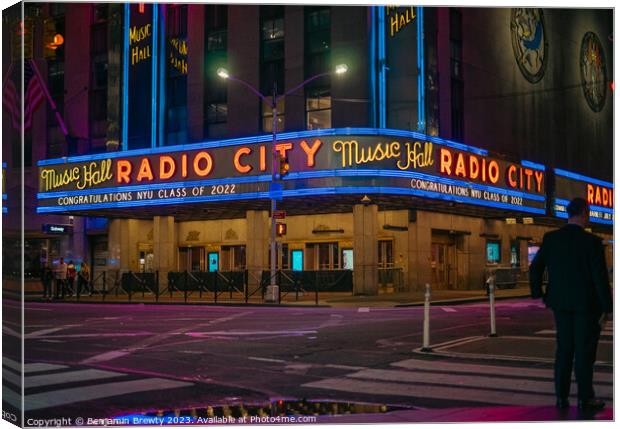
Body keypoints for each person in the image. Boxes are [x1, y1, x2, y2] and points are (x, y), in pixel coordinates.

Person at [530, 197, 612, 413]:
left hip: (560, 304)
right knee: (584, 353)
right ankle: (585, 398)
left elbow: (535, 268)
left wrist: (539, 293)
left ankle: (561, 396)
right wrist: (608, 308)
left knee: (564, 350)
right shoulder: (592, 242)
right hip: (586, 306)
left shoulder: (552, 239)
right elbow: (600, 278)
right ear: (584, 212)